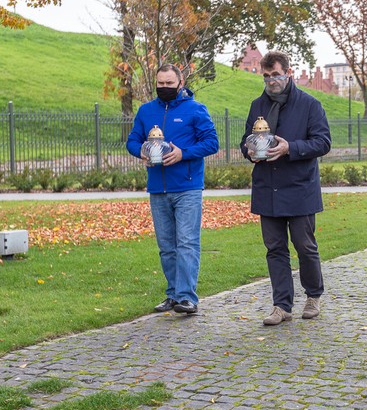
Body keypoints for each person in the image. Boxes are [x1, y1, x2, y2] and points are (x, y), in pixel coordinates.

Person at [240, 51, 331, 326]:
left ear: (288, 73)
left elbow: (323, 142)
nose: (271, 81)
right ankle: (282, 305)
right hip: (268, 187)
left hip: (300, 187)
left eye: (276, 75)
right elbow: (246, 140)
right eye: (266, 76)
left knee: (305, 246)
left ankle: (313, 295)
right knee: (275, 248)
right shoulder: (257, 105)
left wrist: (290, 147)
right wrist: (249, 151)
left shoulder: (309, 104)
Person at [127, 63, 220, 315]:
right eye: (160, 83)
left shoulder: (195, 109)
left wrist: (183, 153)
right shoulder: (146, 111)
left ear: (180, 83)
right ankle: (172, 294)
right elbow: (132, 140)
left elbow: (212, 143)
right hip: (158, 188)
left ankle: (187, 297)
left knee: (187, 243)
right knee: (166, 246)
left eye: (169, 83)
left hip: (188, 187)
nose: (164, 87)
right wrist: (142, 152)